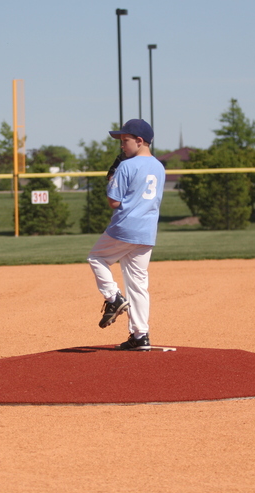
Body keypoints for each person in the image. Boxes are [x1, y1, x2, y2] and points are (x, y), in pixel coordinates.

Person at [87, 119, 166, 350]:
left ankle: (113, 298)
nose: (122, 146)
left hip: (125, 227)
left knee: (96, 258)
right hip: (147, 232)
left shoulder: (126, 166)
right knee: (138, 284)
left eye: (125, 141)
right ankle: (140, 335)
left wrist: (111, 179)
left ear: (139, 141)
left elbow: (114, 201)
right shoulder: (159, 167)